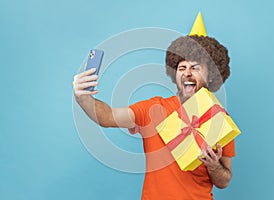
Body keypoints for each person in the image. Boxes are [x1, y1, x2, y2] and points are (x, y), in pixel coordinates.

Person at [73, 35, 235, 200]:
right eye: (181, 68)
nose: (187, 73)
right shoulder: (154, 109)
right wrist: (83, 98)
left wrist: (213, 165)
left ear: (211, 75)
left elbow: (224, 181)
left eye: (195, 67)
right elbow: (107, 116)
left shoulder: (218, 118)